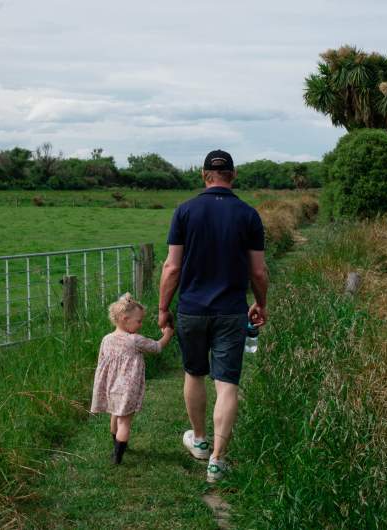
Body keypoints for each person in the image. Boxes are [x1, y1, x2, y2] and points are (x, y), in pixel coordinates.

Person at [158, 149, 268, 482]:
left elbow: (172, 267)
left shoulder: (185, 211)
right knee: (227, 384)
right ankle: (217, 462)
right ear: (232, 176)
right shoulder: (248, 215)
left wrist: (164, 308)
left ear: (204, 176)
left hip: (191, 309)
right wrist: (260, 304)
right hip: (232, 311)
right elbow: (259, 272)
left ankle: (201, 441)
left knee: (194, 373)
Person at [90, 292, 174, 464]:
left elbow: (101, 363)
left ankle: (117, 447)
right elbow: (157, 347)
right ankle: (118, 456)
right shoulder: (134, 340)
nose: (141, 325)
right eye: (138, 321)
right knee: (124, 423)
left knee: (115, 415)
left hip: (111, 386)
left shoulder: (106, 339)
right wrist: (168, 334)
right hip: (127, 388)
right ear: (124, 319)